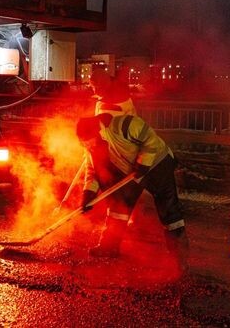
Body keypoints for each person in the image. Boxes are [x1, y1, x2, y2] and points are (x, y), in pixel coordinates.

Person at [76, 113, 188, 269]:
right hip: (132, 172)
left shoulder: (126, 124)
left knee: (167, 206)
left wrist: (143, 164)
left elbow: (150, 140)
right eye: (85, 145)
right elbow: (93, 171)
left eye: (89, 143)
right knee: (119, 204)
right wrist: (88, 194)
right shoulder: (94, 147)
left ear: (97, 132)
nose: (89, 148)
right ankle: (110, 246)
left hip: (158, 164)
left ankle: (178, 253)